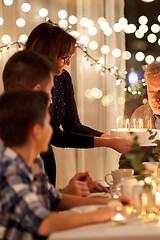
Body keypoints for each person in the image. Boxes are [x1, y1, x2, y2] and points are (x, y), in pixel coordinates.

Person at [0, 91, 129, 240]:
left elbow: (53, 199)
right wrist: (99, 214)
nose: (53, 132)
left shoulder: (32, 163)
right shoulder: (10, 167)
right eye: (49, 124)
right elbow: (44, 223)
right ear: (36, 131)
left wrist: (108, 202)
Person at [25, 22, 131, 185]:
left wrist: (111, 139)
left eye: (69, 57)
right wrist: (109, 143)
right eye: (64, 57)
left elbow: (73, 126)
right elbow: (56, 137)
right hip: (31, 162)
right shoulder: (28, 84)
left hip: (47, 162)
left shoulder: (62, 78)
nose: (68, 63)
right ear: (46, 55)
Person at [2, 50, 106, 196]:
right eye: (50, 90)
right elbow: (42, 217)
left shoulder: (35, 159)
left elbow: (46, 199)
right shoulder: (11, 160)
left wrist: (69, 192)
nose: (52, 98)